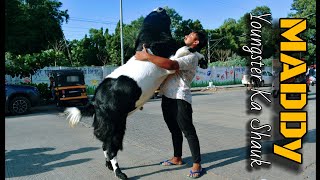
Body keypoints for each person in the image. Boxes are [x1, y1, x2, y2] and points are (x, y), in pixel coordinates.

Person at [135, 31, 207, 178]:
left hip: (180, 97)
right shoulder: (181, 52)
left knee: (188, 131)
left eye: (190, 35)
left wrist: (147, 56)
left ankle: (197, 164)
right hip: (167, 96)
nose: (186, 35)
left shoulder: (192, 57)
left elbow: (171, 65)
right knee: (174, 130)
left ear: (196, 42)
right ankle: (177, 158)